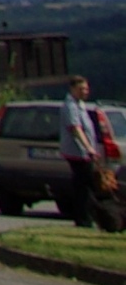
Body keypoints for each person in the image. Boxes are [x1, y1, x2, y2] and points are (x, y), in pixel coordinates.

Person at [59, 74, 102, 227]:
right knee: (84, 186)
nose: (85, 91)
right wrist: (89, 148)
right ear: (72, 89)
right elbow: (75, 129)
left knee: (85, 185)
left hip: (84, 153)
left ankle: (86, 217)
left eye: (86, 88)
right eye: (81, 89)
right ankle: (83, 219)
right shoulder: (70, 106)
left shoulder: (80, 104)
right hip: (77, 153)